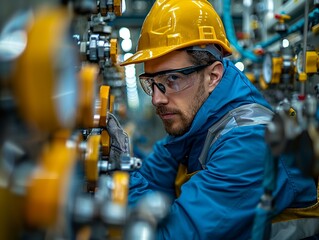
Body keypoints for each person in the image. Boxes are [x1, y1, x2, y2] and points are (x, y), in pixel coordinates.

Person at [120, 0, 318, 239]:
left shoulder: (251, 144)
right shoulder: (191, 128)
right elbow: (151, 186)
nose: (156, 99)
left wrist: (119, 173)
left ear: (213, 76)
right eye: (151, 83)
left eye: (172, 79)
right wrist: (120, 169)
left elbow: (166, 236)